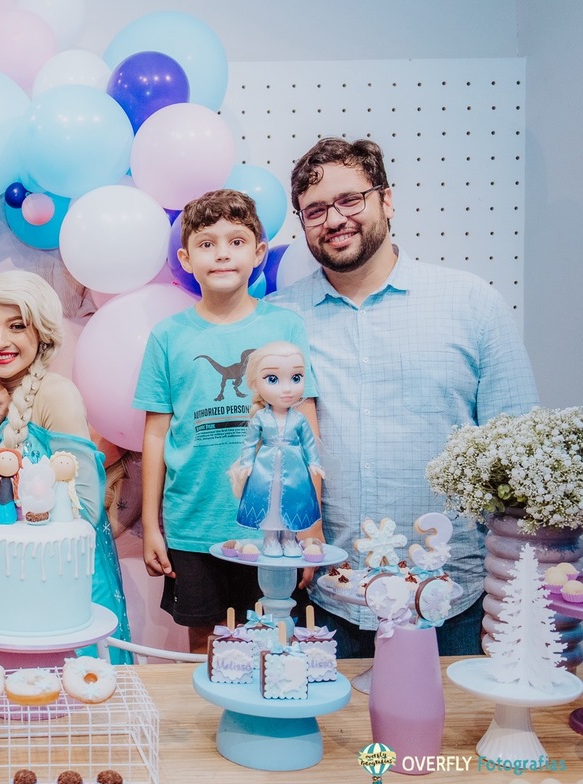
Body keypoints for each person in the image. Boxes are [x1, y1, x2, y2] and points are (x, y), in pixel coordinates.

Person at [271, 137, 539, 657]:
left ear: (386, 200)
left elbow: (518, 450)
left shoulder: (470, 303)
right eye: (315, 210)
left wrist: (521, 592)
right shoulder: (281, 320)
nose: (334, 219)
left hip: (455, 600)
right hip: (328, 597)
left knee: (443, 742)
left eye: (351, 200)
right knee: (338, 740)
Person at [133, 189, 318, 654]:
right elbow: (155, 433)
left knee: (274, 642)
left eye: (236, 241)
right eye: (207, 243)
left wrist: (311, 523)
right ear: (186, 258)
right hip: (194, 524)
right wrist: (153, 527)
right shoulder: (168, 336)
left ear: (258, 253)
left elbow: (305, 423)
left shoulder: (286, 327)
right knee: (207, 644)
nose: (221, 253)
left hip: (273, 527)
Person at [0, 271, 133, 662]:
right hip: (5, 583)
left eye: (16, 326)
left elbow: (87, 510)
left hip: (63, 586)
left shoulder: (55, 395)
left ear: (41, 332)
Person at [230, 341, 325, 557]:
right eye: (272, 379)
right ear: (255, 384)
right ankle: (271, 539)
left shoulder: (299, 419)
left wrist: (314, 463)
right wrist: (246, 464)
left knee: (293, 500)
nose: (287, 388)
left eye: (296, 378)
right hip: (265, 469)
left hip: (295, 469)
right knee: (269, 501)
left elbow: (309, 442)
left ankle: (290, 539)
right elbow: (250, 443)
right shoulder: (260, 418)